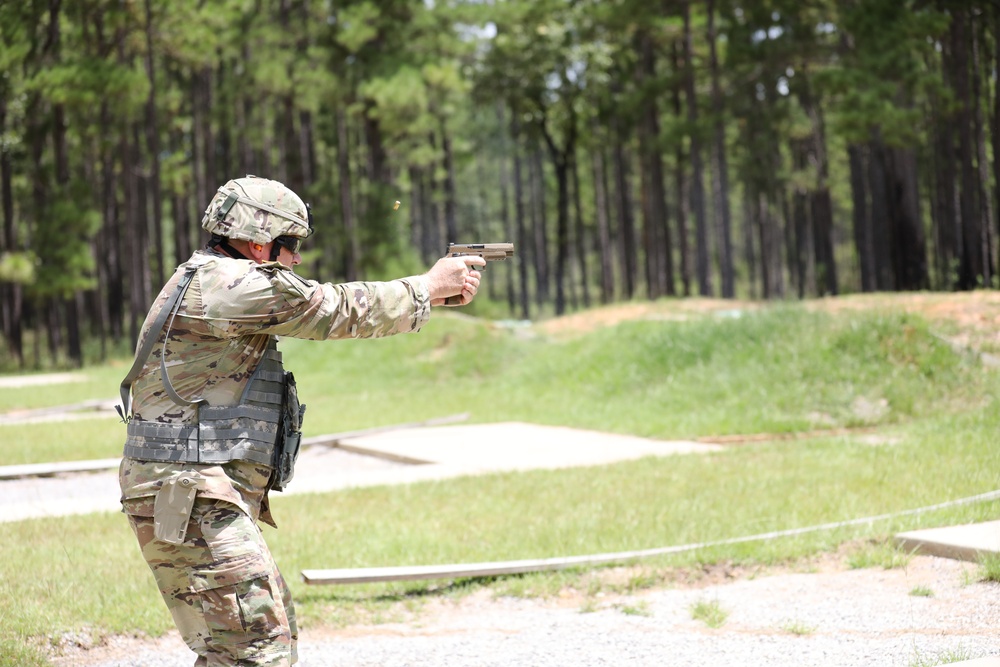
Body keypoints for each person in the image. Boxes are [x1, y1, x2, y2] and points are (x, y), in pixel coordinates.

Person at [116, 175, 483, 666]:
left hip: (191, 490)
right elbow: (329, 308)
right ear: (256, 243)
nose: (297, 260)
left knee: (250, 641)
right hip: (187, 490)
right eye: (290, 246)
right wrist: (427, 287)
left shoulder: (212, 278)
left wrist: (430, 295)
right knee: (256, 648)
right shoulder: (230, 285)